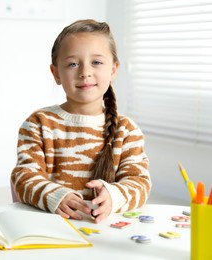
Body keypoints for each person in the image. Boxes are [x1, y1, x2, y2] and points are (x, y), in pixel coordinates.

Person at [10, 19, 151, 223]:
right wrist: (55, 195)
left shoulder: (126, 130)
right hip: (52, 228)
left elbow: (140, 182)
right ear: (56, 73)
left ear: (113, 70)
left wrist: (114, 195)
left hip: (106, 231)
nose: (85, 72)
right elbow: (23, 177)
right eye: (73, 64)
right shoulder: (38, 124)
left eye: (97, 62)